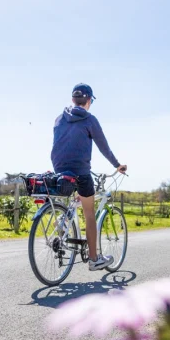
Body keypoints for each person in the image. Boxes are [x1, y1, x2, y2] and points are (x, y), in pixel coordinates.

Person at [51, 83, 127, 271]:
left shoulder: (59, 118)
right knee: (89, 213)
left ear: (72, 99)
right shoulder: (89, 120)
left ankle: (62, 222)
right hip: (80, 172)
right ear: (88, 100)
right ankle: (94, 259)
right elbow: (103, 147)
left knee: (71, 199)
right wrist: (117, 165)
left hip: (59, 171)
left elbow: (59, 146)